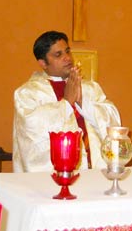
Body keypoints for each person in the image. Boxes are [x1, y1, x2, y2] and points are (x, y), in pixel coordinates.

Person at [13, 30, 121, 172]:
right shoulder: (28, 93)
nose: (67, 58)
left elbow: (114, 121)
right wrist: (66, 103)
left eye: (67, 51)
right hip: (52, 176)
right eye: (58, 54)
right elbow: (31, 130)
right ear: (43, 63)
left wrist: (83, 103)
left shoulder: (89, 88)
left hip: (95, 171)